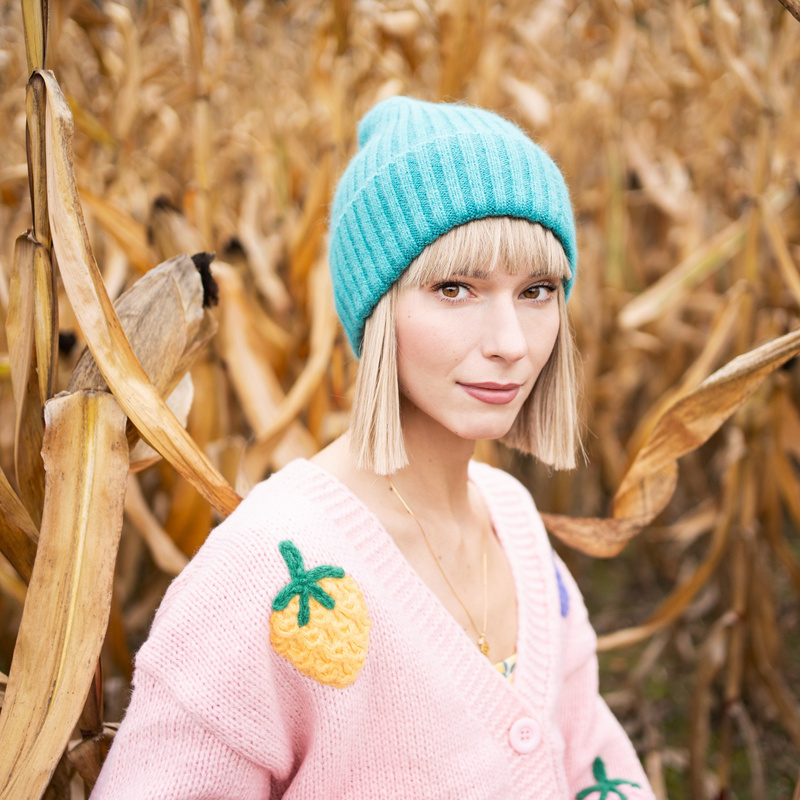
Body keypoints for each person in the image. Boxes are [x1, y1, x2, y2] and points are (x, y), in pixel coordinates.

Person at [92, 97, 655, 799]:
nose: (511, 341)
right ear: (376, 308)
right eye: (455, 288)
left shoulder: (513, 523)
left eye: (538, 290)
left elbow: (593, 764)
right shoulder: (264, 569)